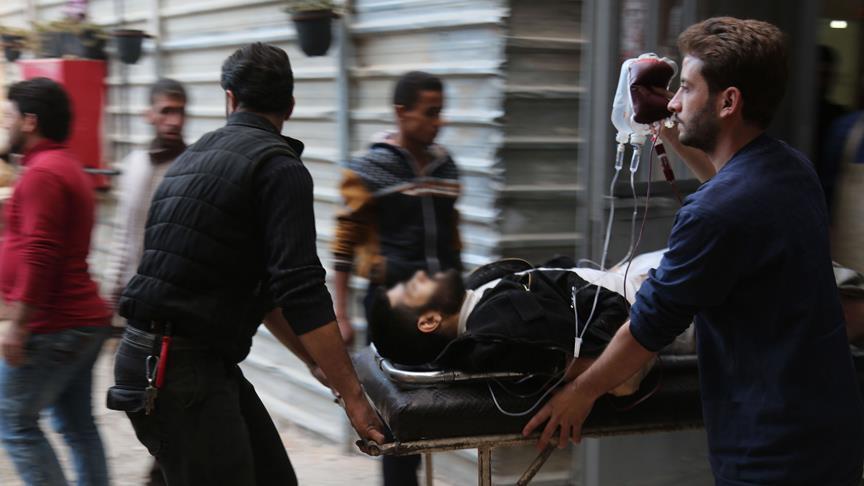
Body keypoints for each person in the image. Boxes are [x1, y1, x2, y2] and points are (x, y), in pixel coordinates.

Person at [523, 17, 864, 486]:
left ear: (728, 102)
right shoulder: (791, 168)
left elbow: (649, 327)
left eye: (685, 88)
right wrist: (669, 132)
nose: (673, 102)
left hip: (771, 451)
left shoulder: (715, 213)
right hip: (829, 432)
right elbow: (730, 185)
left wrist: (581, 392)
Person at [107, 43, 385, 485]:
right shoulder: (280, 168)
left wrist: (317, 363)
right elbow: (301, 289)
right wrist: (353, 396)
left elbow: (270, 292)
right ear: (290, 106)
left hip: (163, 360)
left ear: (230, 99)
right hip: (178, 368)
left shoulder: (192, 158)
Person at [331, 70, 461, 486]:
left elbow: (452, 235)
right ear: (402, 113)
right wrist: (340, 314)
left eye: (441, 111)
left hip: (440, 301)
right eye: (430, 112)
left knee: (437, 407)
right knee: (399, 414)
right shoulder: (369, 170)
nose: (438, 121)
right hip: (392, 304)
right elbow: (343, 245)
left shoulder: (446, 167)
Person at [0, 78, 112, 486]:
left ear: (30, 121)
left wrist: (19, 324)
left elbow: (41, 252)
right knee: (78, 426)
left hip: (54, 324)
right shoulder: (63, 165)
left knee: (13, 421)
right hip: (79, 321)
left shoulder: (43, 173)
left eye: (9, 116)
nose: (6, 124)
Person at [103, 77, 188, 486]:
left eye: (179, 111)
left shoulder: (192, 163)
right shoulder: (137, 164)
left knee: (171, 393)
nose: (174, 120)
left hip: (181, 303)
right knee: (141, 394)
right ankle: (164, 466)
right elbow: (125, 233)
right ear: (149, 115)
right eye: (166, 111)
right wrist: (114, 293)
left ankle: (162, 471)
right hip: (141, 301)